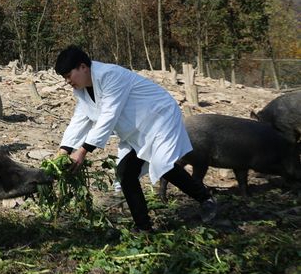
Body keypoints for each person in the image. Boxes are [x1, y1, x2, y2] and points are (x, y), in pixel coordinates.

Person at [55, 45, 216, 231]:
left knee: (162, 165)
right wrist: (64, 150)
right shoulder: (82, 90)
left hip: (159, 118)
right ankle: (144, 227)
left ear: (83, 67)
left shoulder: (110, 75)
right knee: (126, 173)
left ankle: (206, 199)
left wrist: (82, 151)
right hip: (137, 130)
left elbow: (108, 115)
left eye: (68, 75)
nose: (67, 81)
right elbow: (80, 119)